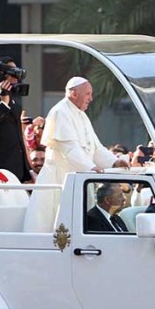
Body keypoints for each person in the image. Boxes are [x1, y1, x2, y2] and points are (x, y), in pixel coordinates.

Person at [24, 77, 129, 232]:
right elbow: (69, 148)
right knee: (54, 224)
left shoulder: (81, 114)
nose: (91, 98)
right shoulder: (60, 112)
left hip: (78, 178)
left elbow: (95, 147)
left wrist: (114, 162)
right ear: (74, 93)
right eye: (88, 94)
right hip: (60, 178)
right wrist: (90, 167)